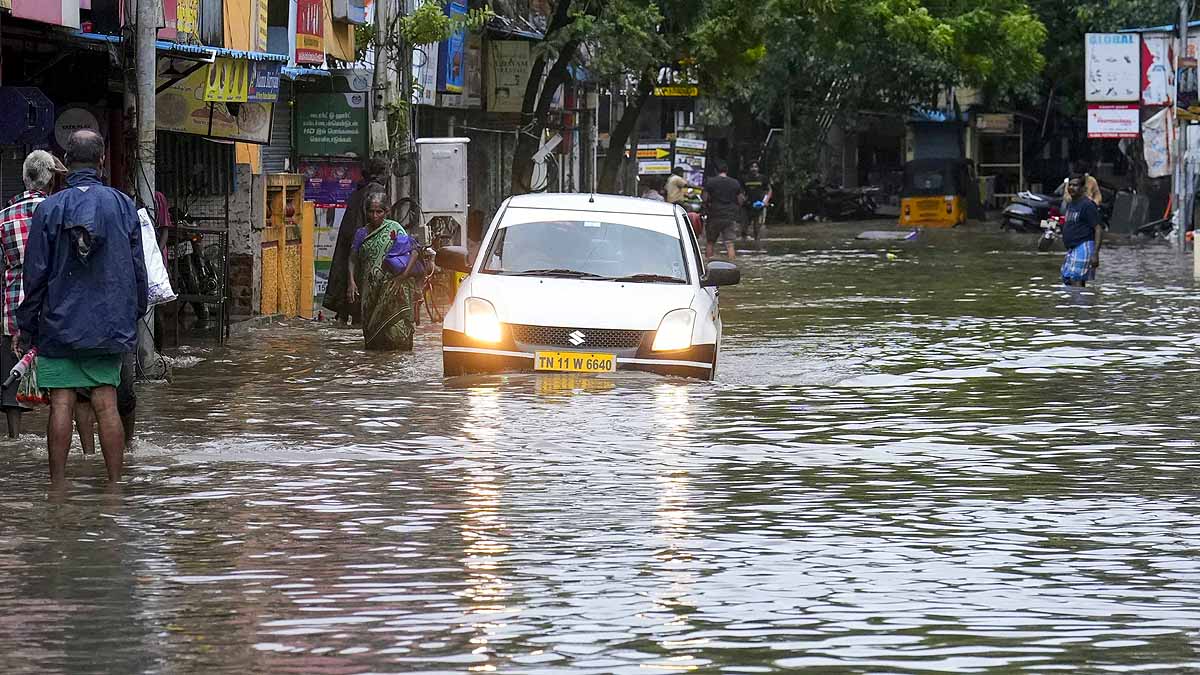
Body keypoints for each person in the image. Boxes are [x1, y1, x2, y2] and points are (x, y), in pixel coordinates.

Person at [16, 130, 147, 485]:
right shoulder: (123, 205)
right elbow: (138, 271)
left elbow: (35, 276)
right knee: (106, 403)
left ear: (66, 164)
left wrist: (27, 328)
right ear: (102, 161)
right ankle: (115, 489)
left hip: (58, 324)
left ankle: (57, 489)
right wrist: (133, 316)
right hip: (108, 325)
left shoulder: (49, 209)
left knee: (61, 403)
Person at [0, 151, 67, 438]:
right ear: (52, 180)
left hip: (15, 305)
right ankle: (63, 436)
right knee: (63, 383)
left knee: (11, 376)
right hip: (56, 306)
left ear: (24, 178)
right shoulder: (60, 210)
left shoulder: (4, 216)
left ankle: (15, 439)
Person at [348, 189, 420, 351]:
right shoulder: (361, 234)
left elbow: (414, 251)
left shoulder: (394, 229)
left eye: (379, 212)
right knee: (373, 338)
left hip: (394, 289)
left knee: (397, 334)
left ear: (386, 212)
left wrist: (403, 276)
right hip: (370, 293)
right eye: (371, 212)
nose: (375, 216)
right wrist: (351, 282)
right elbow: (352, 258)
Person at [325, 157, 388, 326]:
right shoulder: (376, 192)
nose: (376, 215)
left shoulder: (358, 191)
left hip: (350, 247)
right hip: (362, 249)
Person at [1061, 174, 1102, 288]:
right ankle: (1079, 304)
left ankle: (1079, 305)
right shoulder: (1070, 204)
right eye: (1070, 185)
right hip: (1072, 249)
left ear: (1083, 189)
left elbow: (1098, 228)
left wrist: (1095, 253)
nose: (1072, 188)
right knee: (1067, 279)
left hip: (1083, 247)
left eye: (1076, 185)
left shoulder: (1087, 205)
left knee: (1076, 279)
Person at [703, 161, 744, 260]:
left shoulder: (710, 182)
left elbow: (704, 198)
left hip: (714, 215)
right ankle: (733, 265)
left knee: (710, 242)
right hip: (729, 216)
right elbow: (741, 200)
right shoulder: (735, 183)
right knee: (730, 243)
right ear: (727, 170)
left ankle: (708, 264)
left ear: (716, 170)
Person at [741, 161, 772, 241]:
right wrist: (743, 199)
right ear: (749, 168)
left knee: (757, 230)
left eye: (755, 167)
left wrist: (765, 201)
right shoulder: (744, 178)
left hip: (759, 207)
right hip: (746, 206)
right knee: (744, 229)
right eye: (752, 167)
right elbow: (740, 192)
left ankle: (757, 247)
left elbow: (769, 190)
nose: (754, 169)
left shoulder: (763, 178)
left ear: (758, 168)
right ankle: (744, 246)